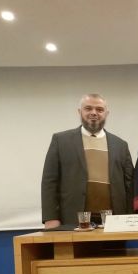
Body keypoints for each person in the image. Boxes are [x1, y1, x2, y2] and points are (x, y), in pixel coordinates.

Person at [41, 93, 133, 228]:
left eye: (99, 109)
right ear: (79, 112)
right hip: (72, 220)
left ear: (106, 114)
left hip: (114, 221)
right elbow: (49, 182)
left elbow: (130, 186)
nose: (94, 113)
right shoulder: (60, 141)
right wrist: (50, 218)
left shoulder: (120, 145)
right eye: (88, 108)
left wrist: (131, 218)